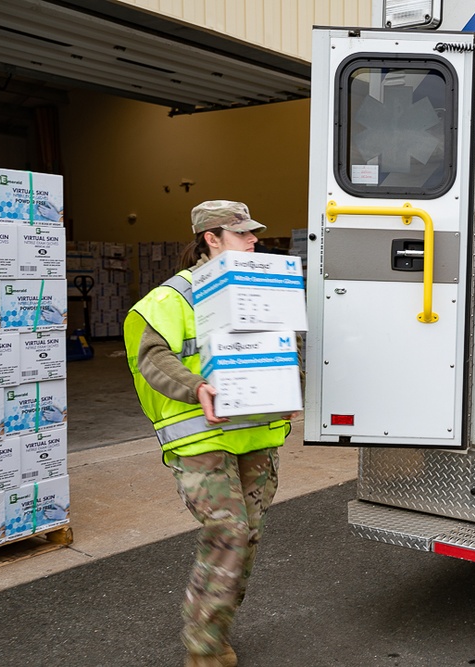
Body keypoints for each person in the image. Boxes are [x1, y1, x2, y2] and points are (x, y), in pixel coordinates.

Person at [124, 200, 293, 667]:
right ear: (211, 239)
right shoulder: (170, 300)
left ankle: (214, 624)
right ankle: (204, 647)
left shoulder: (260, 289)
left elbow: (279, 347)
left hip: (256, 434)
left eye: (253, 232)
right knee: (229, 530)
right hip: (201, 436)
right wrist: (196, 386)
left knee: (247, 537)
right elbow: (154, 358)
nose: (253, 239)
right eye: (241, 233)